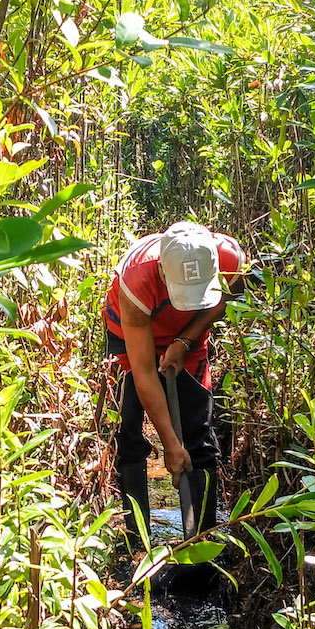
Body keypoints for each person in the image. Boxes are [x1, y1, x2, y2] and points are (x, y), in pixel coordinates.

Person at [103, 221, 246, 550]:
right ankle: (136, 542)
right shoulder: (137, 279)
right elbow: (143, 371)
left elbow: (226, 299)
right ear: (164, 275)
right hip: (130, 334)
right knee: (128, 430)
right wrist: (169, 442)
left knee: (198, 431)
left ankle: (202, 540)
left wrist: (185, 340)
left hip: (188, 337)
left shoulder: (230, 259)